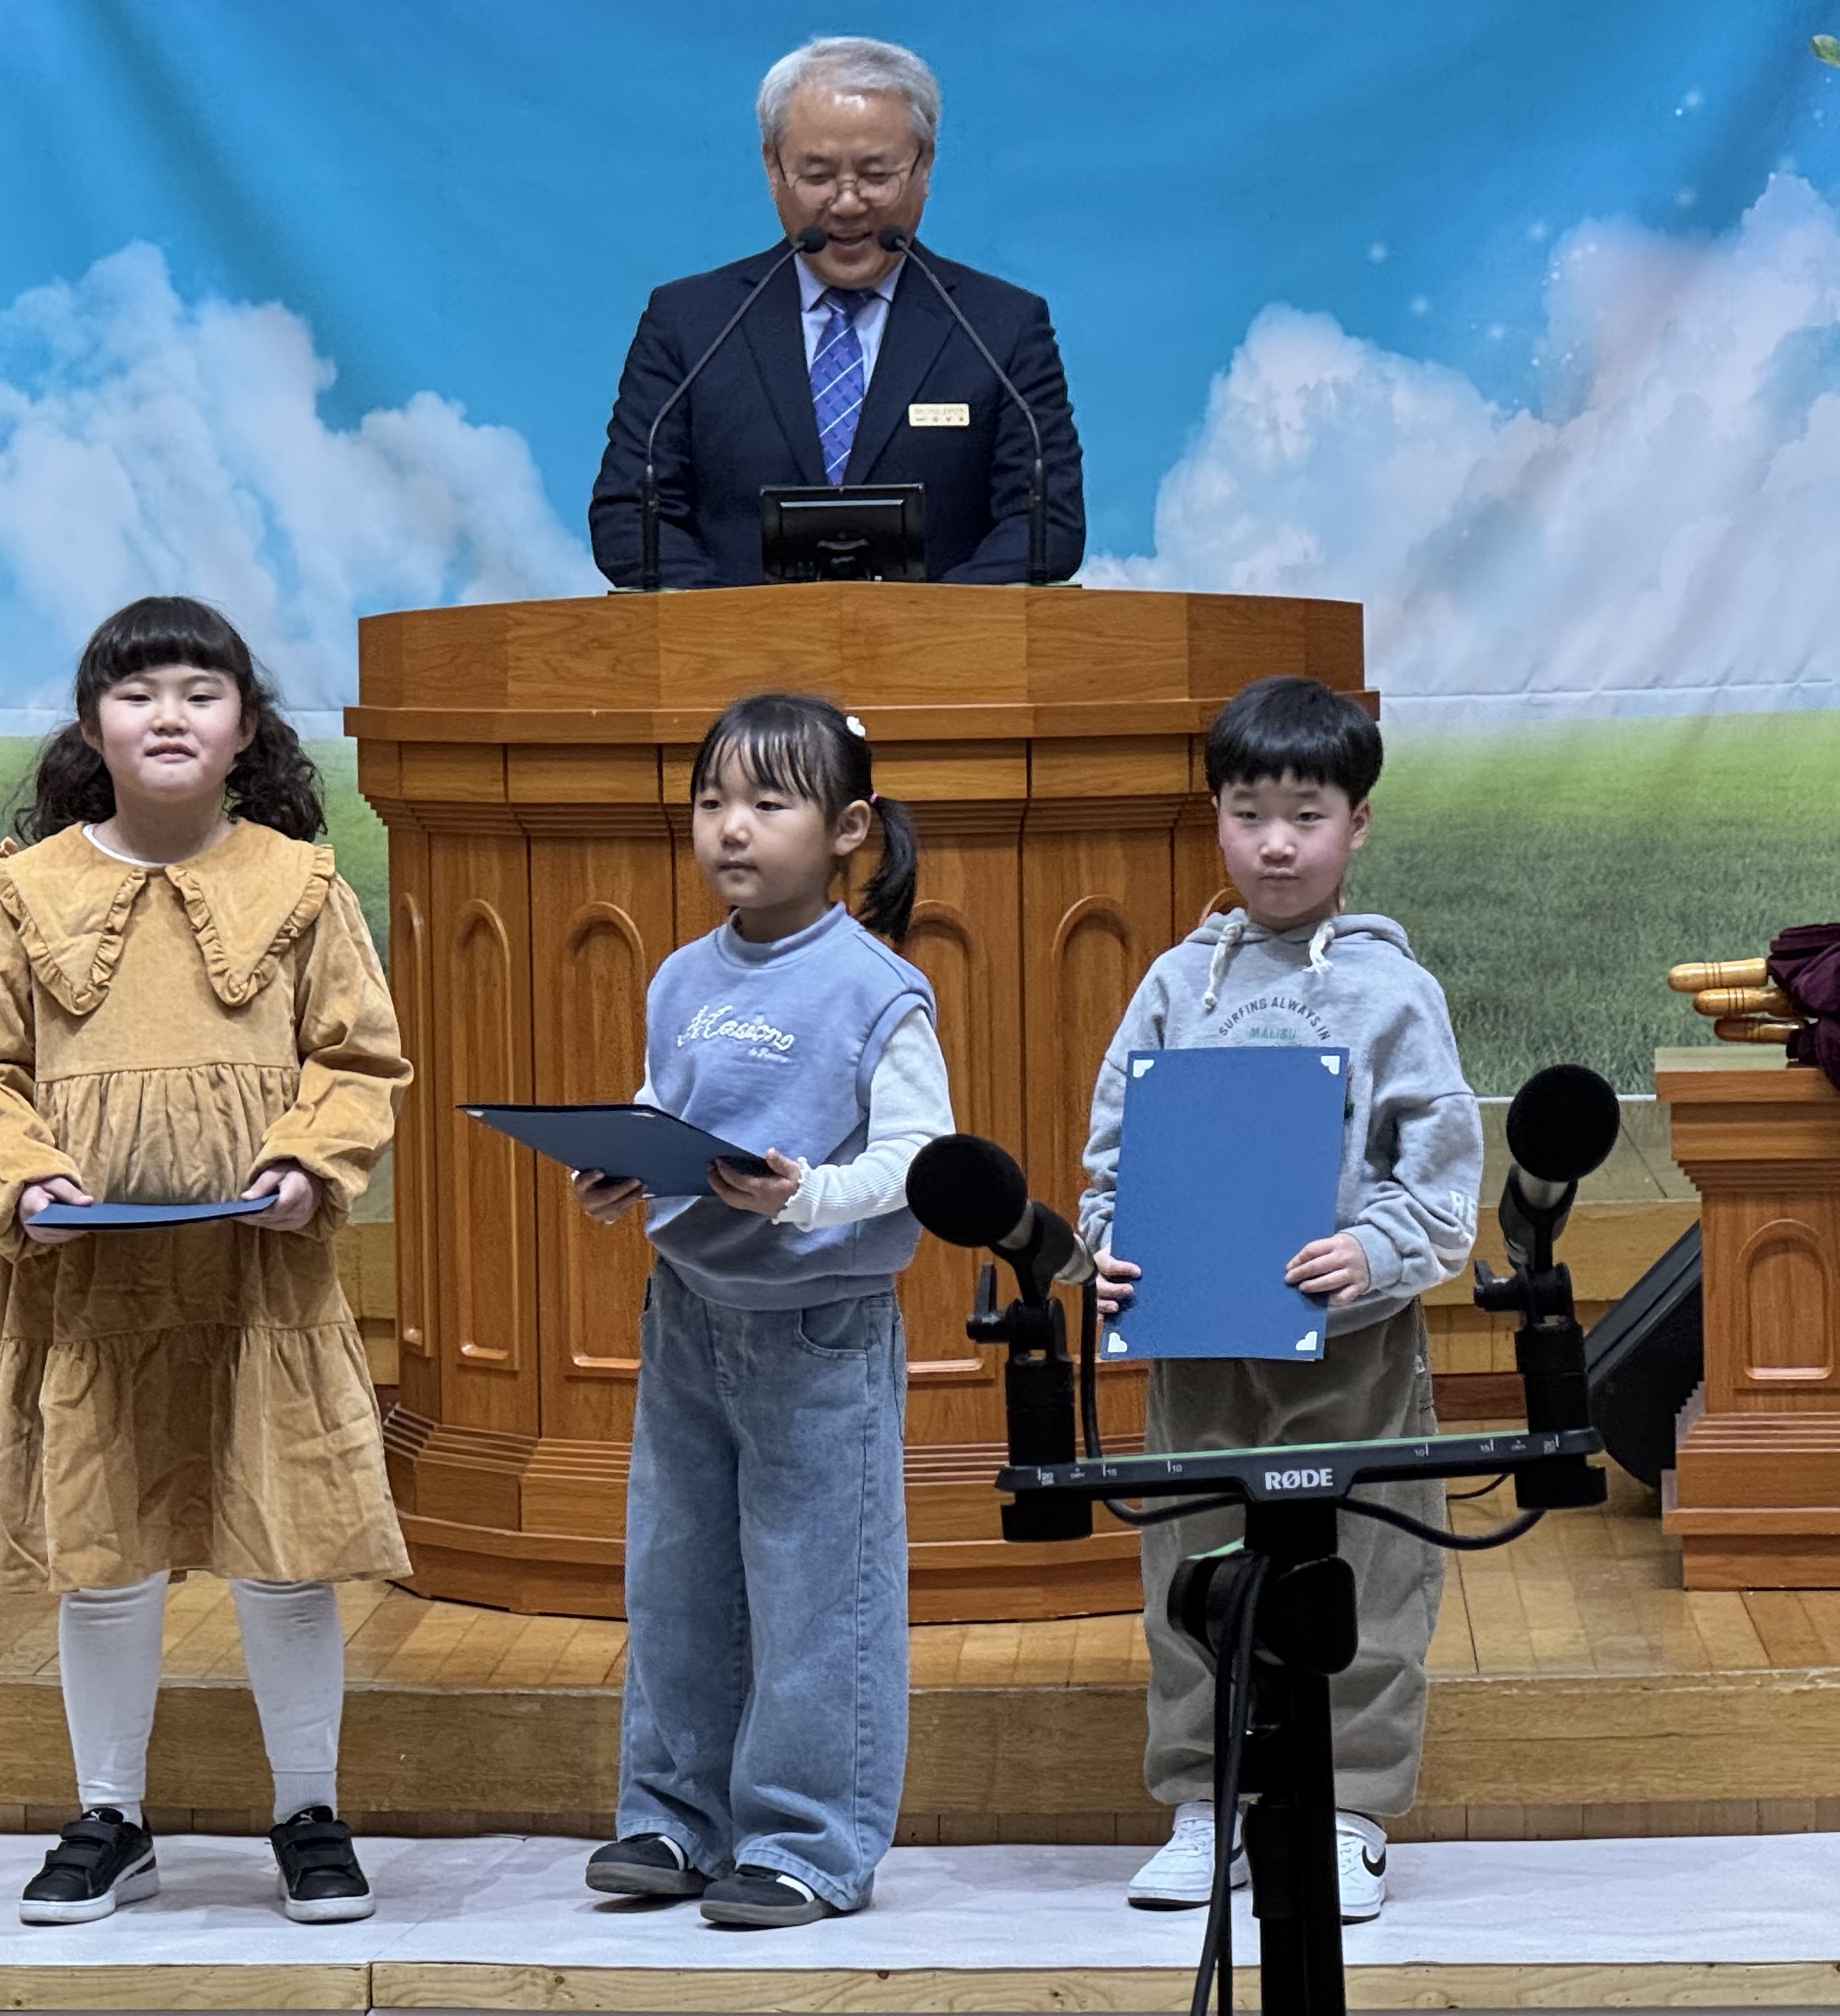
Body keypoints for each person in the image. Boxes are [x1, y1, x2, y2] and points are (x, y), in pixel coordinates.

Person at [0, 596, 412, 1927]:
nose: (170, 716)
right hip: (94, 1288)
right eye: (138, 695)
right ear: (94, 729)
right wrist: (25, 1177)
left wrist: (310, 1164)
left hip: (259, 1281)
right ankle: (110, 1816)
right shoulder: (26, 894)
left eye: (201, 693)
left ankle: (308, 1812)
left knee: (284, 1546)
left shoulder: (300, 885)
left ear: (246, 730)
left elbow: (357, 1057)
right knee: (107, 1549)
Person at [1079, 676, 1481, 1924]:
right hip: (1199, 1345)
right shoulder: (1171, 985)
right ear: (1215, 819)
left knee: (1368, 1570)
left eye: (1306, 815)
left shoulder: (1395, 994)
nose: (1275, 844)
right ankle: (1208, 1806)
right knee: (1190, 1568)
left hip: (1353, 1354)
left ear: (1357, 825)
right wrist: (1107, 1249)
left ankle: (1349, 1811)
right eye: (1248, 813)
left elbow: (1441, 1184)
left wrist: (1374, 1249)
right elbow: (1111, 1165)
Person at [565, 695, 949, 1928]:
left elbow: (921, 1158)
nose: (732, 827)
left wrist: (806, 1197)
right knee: (677, 1572)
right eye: (711, 802)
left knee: (816, 1589)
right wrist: (624, 1165)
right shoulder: (683, 975)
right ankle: (674, 1819)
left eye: (768, 803)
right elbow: (668, 1103)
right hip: (687, 1311)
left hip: (818, 1325)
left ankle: (806, 1841)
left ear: (848, 830)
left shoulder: (877, 988)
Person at [588, 36, 1084, 588]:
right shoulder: (691, 324)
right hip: (731, 642)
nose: (847, 203)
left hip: (948, 642)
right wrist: (749, 625)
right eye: (819, 176)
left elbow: (1046, 525)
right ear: (773, 169)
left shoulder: (1002, 328)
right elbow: (630, 518)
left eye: (876, 175)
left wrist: (923, 624)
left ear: (924, 166)